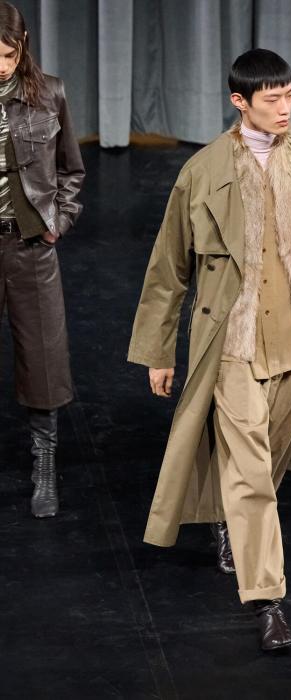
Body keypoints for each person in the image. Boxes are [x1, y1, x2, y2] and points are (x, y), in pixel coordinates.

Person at [128, 48, 291, 652]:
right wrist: (159, 351)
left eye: (290, 96)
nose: (285, 108)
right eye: (272, 99)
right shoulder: (201, 173)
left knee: (265, 463)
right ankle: (268, 602)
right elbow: (168, 270)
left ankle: (230, 519)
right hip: (234, 344)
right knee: (250, 475)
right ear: (239, 102)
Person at [0, 2, 85, 518]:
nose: (0, 66)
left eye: (7, 55)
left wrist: (60, 222)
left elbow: (71, 169)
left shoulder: (49, 92)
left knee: (44, 359)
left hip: (30, 244)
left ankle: (45, 465)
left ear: (23, 44)